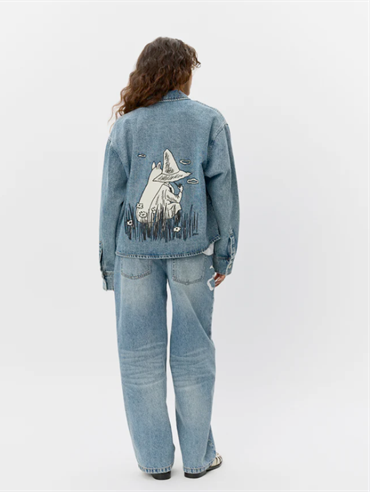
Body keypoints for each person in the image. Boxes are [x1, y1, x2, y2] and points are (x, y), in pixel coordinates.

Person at [99, 37, 240, 480]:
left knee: (139, 356)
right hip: (192, 255)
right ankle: (198, 460)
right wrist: (225, 253)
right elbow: (224, 192)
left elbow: (110, 201)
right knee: (194, 355)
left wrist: (109, 264)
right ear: (183, 73)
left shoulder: (125, 128)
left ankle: (155, 462)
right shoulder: (209, 121)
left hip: (133, 254)